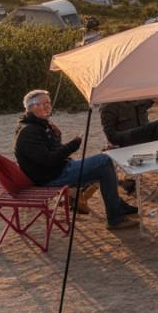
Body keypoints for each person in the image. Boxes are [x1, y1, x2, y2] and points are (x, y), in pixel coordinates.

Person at [14, 89, 138, 229]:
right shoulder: (29, 131)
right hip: (50, 178)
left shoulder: (40, 125)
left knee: (104, 164)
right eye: (42, 103)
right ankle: (115, 218)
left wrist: (56, 136)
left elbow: (52, 151)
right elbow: (48, 160)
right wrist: (72, 145)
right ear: (31, 107)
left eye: (48, 102)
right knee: (104, 160)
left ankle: (117, 208)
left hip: (56, 170)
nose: (47, 106)